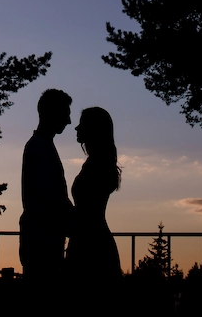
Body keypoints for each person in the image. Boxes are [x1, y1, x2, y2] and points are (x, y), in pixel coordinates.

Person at [20, 88, 74, 280]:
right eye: (66, 114)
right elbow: (50, 198)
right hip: (41, 242)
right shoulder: (38, 147)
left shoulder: (41, 145)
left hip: (43, 240)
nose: (69, 121)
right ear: (52, 113)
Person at [66, 106, 122, 283]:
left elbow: (86, 211)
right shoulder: (96, 163)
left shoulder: (97, 165)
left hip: (90, 244)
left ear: (94, 129)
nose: (76, 128)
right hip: (91, 240)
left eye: (82, 124)